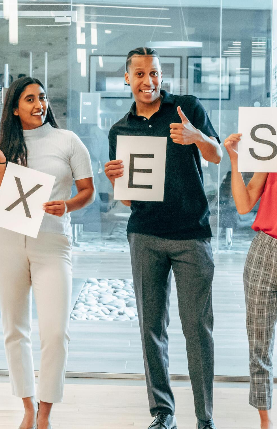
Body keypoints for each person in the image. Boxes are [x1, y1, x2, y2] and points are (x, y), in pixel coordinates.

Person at [105, 47, 222, 429]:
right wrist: (114, 179)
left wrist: (196, 136)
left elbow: (218, 155)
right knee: (151, 329)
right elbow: (126, 198)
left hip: (191, 236)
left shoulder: (186, 108)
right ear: (128, 78)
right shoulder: (120, 130)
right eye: (140, 74)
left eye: (154, 73)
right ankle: (162, 412)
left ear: (161, 75)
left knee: (197, 328)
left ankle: (205, 418)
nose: (148, 81)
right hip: (145, 235)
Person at [0, 76, 95, 429]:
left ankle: (46, 413)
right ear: (15, 109)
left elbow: (87, 190)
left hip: (52, 242)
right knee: (15, 329)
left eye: (41, 97)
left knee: (56, 332)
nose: (38, 104)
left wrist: (68, 205)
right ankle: (28, 408)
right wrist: (1, 163)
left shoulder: (68, 141)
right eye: (29, 99)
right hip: (8, 240)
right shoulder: (7, 148)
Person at [224, 132, 276, 429]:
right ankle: (265, 421)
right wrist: (235, 160)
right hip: (264, 251)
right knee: (260, 346)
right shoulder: (273, 150)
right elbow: (244, 205)